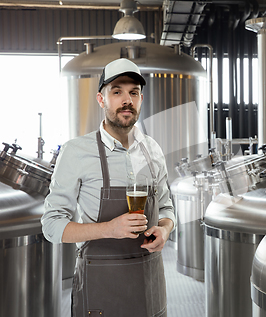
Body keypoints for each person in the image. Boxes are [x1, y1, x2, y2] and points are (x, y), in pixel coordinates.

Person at [41, 58, 175, 317]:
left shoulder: (153, 150)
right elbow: (51, 225)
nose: (127, 100)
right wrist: (109, 229)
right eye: (117, 92)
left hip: (150, 287)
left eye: (133, 92)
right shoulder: (76, 152)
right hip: (100, 289)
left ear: (141, 99)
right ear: (101, 100)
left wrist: (166, 228)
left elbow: (167, 206)